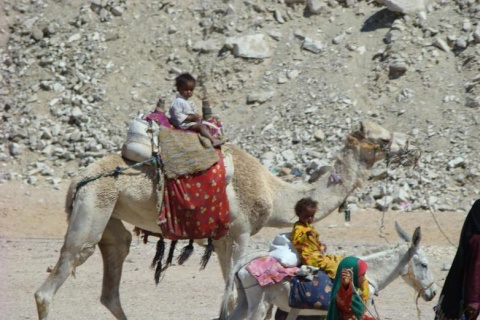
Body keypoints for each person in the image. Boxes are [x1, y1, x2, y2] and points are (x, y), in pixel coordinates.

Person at [434, 200, 480, 320]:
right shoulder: (478, 241)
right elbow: (475, 272)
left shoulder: (471, 237)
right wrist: (474, 300)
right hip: (468, 299)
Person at [291, 197, 342, 279]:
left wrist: (321, 246)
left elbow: (314, 242)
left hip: (317, 254)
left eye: (312, 216)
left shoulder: (310, 228)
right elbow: (296, 242)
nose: (310, 219)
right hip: (309, 257)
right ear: (298, 214)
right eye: (306, 216)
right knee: (332, 266)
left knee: (338, 259)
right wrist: (304, 236)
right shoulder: (298, 227)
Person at [168, 73, 224, 147]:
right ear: (179, 89)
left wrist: (196, 116)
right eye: (186, 89)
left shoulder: (188, 102)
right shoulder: (178, 101)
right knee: (201, 127)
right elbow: (177, 115)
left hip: (188, 122)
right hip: (183, 124)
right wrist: (190, 117)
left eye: (191, 90)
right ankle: (213, 140)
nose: (189, 92)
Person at [327, 256, 374, 320]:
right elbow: (345, 299)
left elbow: (359, 316)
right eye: (362, 275)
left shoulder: (356, 293)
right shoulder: (341, 295)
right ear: (353, 276)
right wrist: (346, 286)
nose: (364, 279)